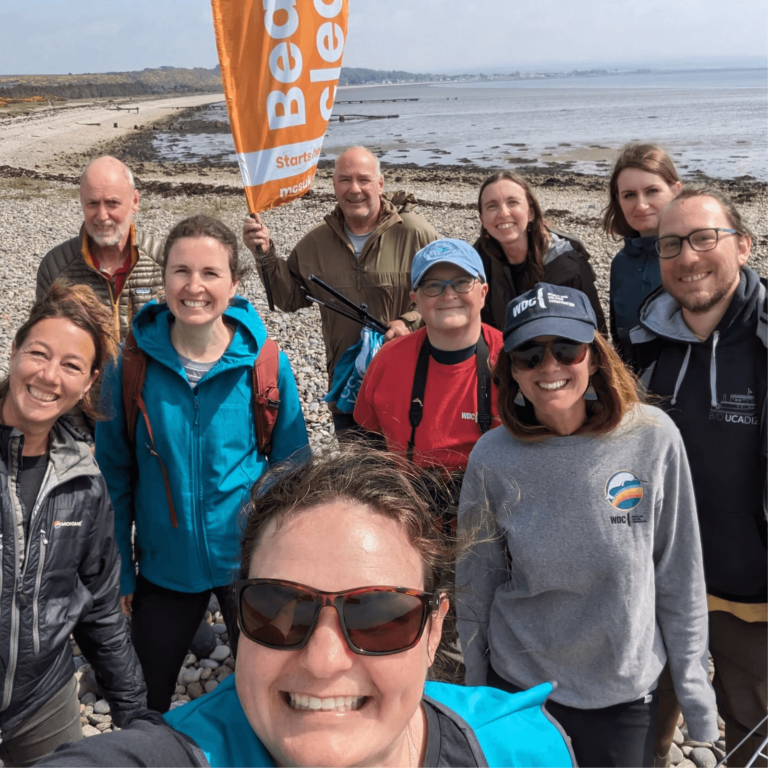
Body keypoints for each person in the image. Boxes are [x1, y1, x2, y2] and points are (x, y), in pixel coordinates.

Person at [39, 446, 576, 767]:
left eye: (379, 615)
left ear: (434, 631)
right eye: (280, 608)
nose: (323, 661)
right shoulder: (181, 753)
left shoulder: (521, 749)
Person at [457, 283, 718, 767]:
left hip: (623, 692)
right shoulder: (492, 457)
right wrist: (476, 691)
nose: (549, 366)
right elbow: (476, 580)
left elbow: (679, 574)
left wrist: (696, 693)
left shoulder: (654, 438)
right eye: (529, 355)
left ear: (594, 357)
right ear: (511, 370)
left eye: (566, 349)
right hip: (521, 689)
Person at [95, 215, 309, 714]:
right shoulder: (129, 366)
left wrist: (291, 566)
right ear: (164, 278)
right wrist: (120, 570)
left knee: (275, 700)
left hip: (248, 568)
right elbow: (113, 476)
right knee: (141, 705)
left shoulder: (266, 363)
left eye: (210, 273)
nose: (194, 287)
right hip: (164, 568)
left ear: (234, 284)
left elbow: (294, 472)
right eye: (181, 271)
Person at [628, 186, 767, 767]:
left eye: (704, 238)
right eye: (671, 244)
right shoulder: (644, 344)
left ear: (744, 245)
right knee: (642, 721)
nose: (688, 257)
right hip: (657, 581)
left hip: (752, 591)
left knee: (753, 728)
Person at [0, 281, 146, 767]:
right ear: (15, 351)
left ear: (88, 382)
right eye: (38, 354)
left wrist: (134, 712)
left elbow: (99, 604)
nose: (48, 376)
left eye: (71, 365)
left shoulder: (84, 481)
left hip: (42, 696)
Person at [243, 145, 439, 434]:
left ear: (380, 183)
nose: (354, 189)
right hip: (348, 389)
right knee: (356, 464)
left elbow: (446, 295)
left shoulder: (415, 233)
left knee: (409, 462)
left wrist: (408, 322)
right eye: (345, 180)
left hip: (410, 387)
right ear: (334, 185)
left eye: (364, 179)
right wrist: (265, 253)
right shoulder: (316, 242)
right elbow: (289, 297)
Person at [355, 238, 503, 473]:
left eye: (462, 282)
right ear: (416, 300)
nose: (448, 294)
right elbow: (367, 442)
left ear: (483, 293)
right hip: (407, 494)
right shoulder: (387, 360)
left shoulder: (512, 359)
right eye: (433, 286)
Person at [36, 156, 164, 341]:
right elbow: (45, 340)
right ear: (82, 202)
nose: (102, 216)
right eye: (93, 203)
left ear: (135, 201)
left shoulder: (165, 261)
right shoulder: (55, 267)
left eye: (113, 203)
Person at [474, 170, 606, 334]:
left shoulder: (566, 262)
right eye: (492, 206)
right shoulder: (476, 264)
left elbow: (597, 332)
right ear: (482, 220)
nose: (503, 213)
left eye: (512, 202)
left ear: (531, 213)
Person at [602, 143, 681, 365]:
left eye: (651, 191)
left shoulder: (696, 256)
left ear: (676, 190)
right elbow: (620, 339)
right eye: (629, 195)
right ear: (618, 200)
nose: (641, 205)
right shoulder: (621, 263)